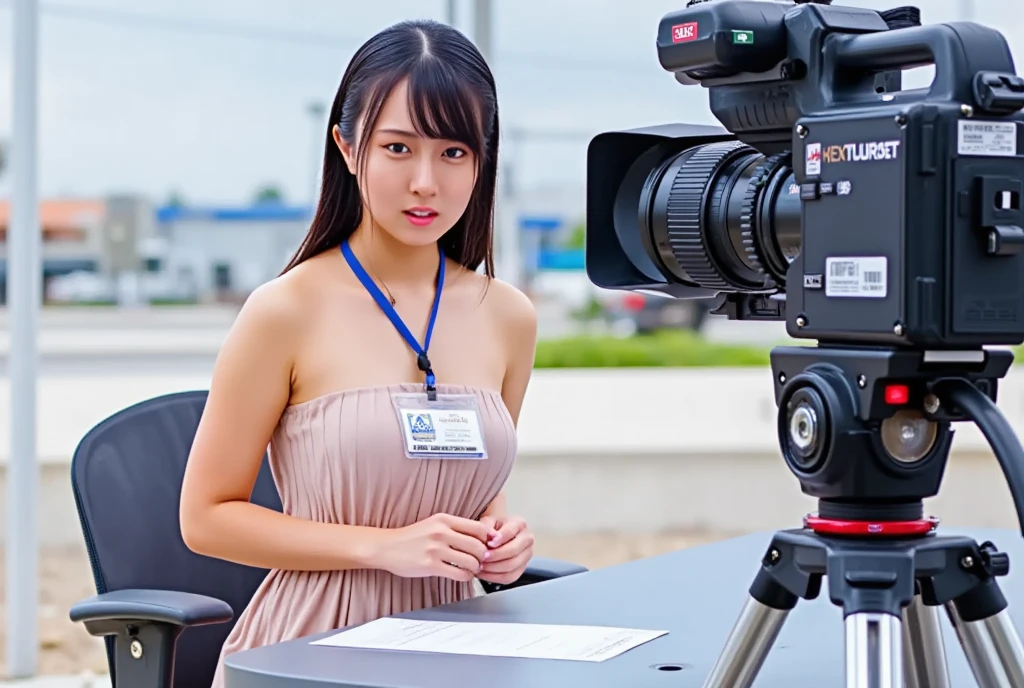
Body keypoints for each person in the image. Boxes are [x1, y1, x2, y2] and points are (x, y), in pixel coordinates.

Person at [178, 18, 538, 687]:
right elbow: (205, 518)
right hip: (312, 651)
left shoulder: (507, 316)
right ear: (348, 148)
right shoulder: (285, 310)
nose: (426, 182)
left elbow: (471, 483)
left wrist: (498, 536)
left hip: (459, 646)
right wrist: (381, 548)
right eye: (398, 148)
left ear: (483, 159)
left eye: (454, 152)